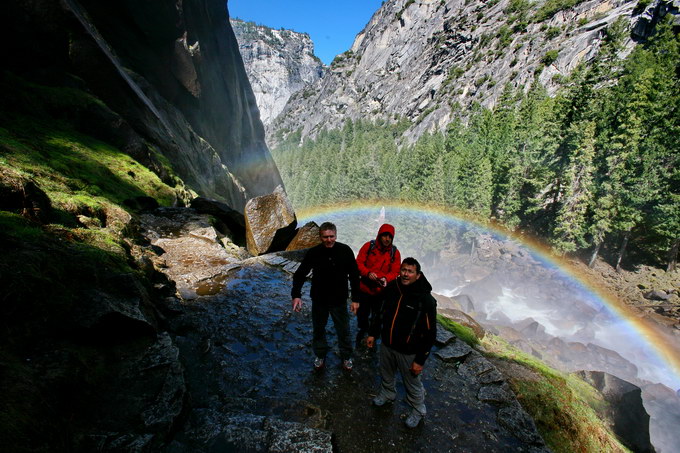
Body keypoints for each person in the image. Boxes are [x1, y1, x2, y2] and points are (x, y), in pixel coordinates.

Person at [366, 257, 437, 428]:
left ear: (418, 275)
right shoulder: (393, 287)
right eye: (403, 270)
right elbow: (380, 311)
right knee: (386, 373)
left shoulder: (425, 300)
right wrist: (373, 334)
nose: (406, 274)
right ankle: (387, 393)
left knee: (412, 383)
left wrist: (420, 360)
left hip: (409, 351)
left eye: (410, 271)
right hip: (387, 344)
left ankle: (418, 409)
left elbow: (430, 333)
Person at [292, 222, 360, 371]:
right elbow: (300, 273)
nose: (329, 240)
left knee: (343, 330)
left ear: (336, 235)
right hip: (319, 299)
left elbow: (354, 275)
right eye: (325, 237)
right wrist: (296, 295)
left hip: (339, 300)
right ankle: (320, 355)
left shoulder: (345, 251)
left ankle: (346, 357)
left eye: (331, 236)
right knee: (318, 329)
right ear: (320, 237)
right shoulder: (314, 252)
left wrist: (356, 299)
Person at [353, 223, 401, 348]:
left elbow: (396, 271)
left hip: (381, 291)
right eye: (384, 235)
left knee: (378, 315)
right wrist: (368, 273)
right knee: (362, 314)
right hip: (364, 288)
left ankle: (373, 336)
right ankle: (362, 331)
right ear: (379, 235)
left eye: (390, 237)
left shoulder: (394, 253)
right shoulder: (369, 247)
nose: (387, 239)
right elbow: (358, 263)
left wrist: (386, 278)